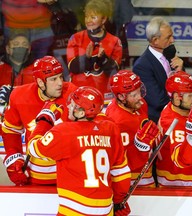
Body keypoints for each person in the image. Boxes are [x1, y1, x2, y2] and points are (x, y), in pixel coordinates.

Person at [28, 86, 131, 216]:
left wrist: (45, 120)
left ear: (82, 113)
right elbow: (121, 172)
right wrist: (118, 201)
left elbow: (33, 148)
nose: (69, 106)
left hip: (74, 210)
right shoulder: (110, 129)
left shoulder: (64, 131)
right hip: (105, 209)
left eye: (73, 105)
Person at [2, 55, 77, 186]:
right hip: (35, 176)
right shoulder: (20, 96)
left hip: (69, 176)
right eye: (54, 79)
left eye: (60, 76)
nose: (60, 83)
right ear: (41, 82)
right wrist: (14, 158)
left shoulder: (72, 93)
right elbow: (10, 131)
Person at [106, 70, 160, 187]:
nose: (140, 97)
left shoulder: (139, 104)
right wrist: (141, 147)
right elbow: (122, 162)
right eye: (134, 95)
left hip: (147, 169)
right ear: (121, 97)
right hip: (134, 179)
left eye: (139, 91)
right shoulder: (118, 122)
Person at [67, 0, 122, 106]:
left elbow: (114, 73)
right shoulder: (75, 38)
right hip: (79, 97)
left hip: (105, 99)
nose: (88, 20)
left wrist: (103, 58)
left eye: (93, 17)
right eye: (87, 16)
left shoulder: (115, 41)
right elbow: (72, 68)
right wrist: (86, 57)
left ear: (103, 19)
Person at [133, 16, 184, 123]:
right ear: (155, 40)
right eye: (168, 37)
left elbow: (184, 87)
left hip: (176, 117)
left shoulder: (170, 54)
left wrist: (180, 71)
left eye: (172, 36)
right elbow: (158, 100)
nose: (172, 40)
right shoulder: (142, 66)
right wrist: (183, 103)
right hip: (158, 122)